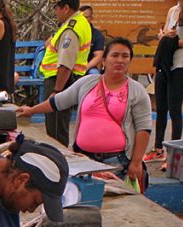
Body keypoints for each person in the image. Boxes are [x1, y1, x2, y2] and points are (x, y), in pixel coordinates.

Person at [17, 38, 151, 190]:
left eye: (125, 56)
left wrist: (136, 162)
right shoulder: (87, 83)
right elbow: (57, 102)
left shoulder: (137, 91)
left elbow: (144, 129)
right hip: (83, 159)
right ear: (104, 60)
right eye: (115, 55)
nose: (120, 60)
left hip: (117, 162)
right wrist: (31, 111)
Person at [145, 0, 183, 164]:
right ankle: (158, 149)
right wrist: (163, 37)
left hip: (180, 65)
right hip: (164, 63)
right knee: (160, 108)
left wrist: (170, 41)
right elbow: (165, 33)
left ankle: (174, 153)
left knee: (175, 110)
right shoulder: (173, 9)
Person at [39, 0, 93, 146]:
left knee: (55, 130)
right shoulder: (80, 22)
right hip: (67, 79)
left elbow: (65, 64)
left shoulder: (71, 29)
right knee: (59, 125)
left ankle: (58, 162)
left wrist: (57, 91)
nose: (54, 11)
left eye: (56, 7)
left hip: (60, 80)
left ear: (66, 8)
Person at [81, 6, 106, 74]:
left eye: (86, 17)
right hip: (70, 67)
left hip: (88, 67)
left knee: (94, 73)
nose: (83, 20)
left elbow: (98, 56)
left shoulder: (97, 35)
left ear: (91, 18)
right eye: (81, 18)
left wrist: (84, 69)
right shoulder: (71, 32)